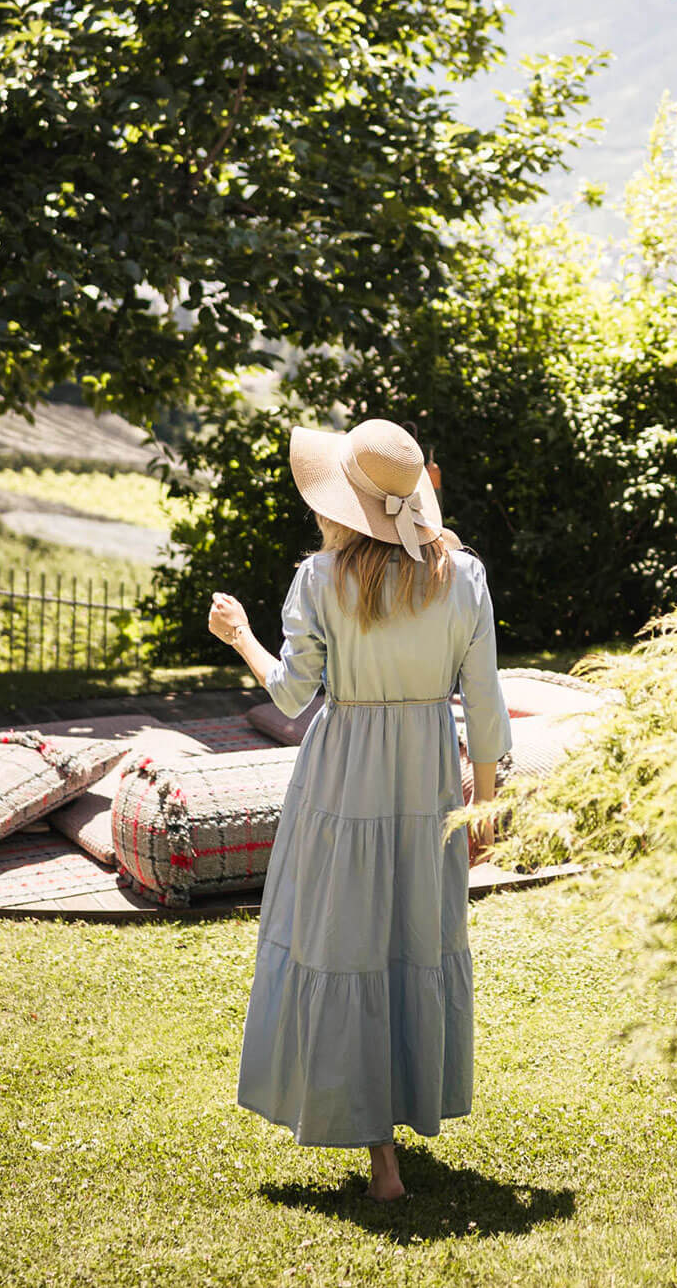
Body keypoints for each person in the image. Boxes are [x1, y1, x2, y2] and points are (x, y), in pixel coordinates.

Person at [207, 417, 511, 1202]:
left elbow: (291, 695)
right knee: (416, 938)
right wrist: (487, 800)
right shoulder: (463, 576)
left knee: (348, 944)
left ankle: (381, 1163)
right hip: (429, 779)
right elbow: (484, 700)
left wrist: (240, 636)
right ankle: (405, 1118)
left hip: (344, 781)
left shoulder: (321, 577)